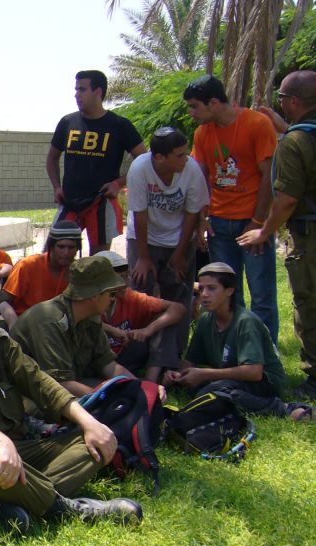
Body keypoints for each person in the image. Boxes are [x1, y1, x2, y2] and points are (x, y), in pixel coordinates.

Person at [0, 271, 143, 534]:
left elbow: (40, 382)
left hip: (17, 449)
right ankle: (71, 509)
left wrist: (89, 422)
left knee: (92, 442)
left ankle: (14, 501)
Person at [239, 71, 316, 401]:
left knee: (309, 305)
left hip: (309, 237)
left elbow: (286, 200)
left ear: (294, 101)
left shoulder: (294, 144)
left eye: (282, 98)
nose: (280, 102)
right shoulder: (298, 135)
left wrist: (264, 231)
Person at [185, 73, 279, 338]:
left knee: (261, 293)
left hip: (251, 222)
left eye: (195, 106)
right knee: (228, 294)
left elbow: (269, 176)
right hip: (219, 224)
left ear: (214, 103)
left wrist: (258, 222)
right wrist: (202, 218)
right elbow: (200, 178)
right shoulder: (202, 133)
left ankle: (264, 350)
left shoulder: (257, 123)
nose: (191, 113)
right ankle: (233, 346)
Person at [168, 263, 311, 422]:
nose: (204, 294)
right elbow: (190, 361)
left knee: (216, 393)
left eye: (211, 288)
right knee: (202, 391)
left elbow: (254, 372)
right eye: (201, 289)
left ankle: (284, 408)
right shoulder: (205, 321)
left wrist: (204, 374)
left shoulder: (245, 322)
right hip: (228, 379)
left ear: (229, 290)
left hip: (263, 382)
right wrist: (176, 375)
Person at [125, 126, 208, 355]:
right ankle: (138, 352)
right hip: (144, 237)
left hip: (179, 237)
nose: (186, 158)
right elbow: (139, 214)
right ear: (160, 157)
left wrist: (180, 254)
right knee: (141, 292)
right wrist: (143, 257)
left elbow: (192, 213)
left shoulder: (191, 169)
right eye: (180, 155)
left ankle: (173, 355)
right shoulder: (139, 168)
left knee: (179, 293)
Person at [47, 70, 145, 254]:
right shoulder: (67, 122)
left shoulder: (120, 125)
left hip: (101, 201)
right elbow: (52, 157)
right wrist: (56, 187)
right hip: (69, 201)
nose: (77, 95)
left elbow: (143, 160)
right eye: (76, 90)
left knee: (98, 259)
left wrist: (118, 183)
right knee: (52, 254)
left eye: (82, 89)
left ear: (98, 92)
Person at [11, 256, 133, 398]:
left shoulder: (90, 317)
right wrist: (105, 399)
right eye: (111, 293)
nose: (113, 299)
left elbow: (108, 364)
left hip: (64, 388)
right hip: (27, 397)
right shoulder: (50, 321)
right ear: (94, 295)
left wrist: (140, 387)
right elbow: (60, 383)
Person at [96, 251, 186, 384]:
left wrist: (148, 329)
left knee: (165, 320)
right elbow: (79, 320)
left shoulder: (129, 296)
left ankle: (151, 381)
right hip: (97, 362)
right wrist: (111, 330)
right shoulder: (87, 300)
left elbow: (178, 308)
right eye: (119, 278)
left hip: (126, 355)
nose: (125, 283)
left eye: (126, 276)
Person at [0, 221, 81, 328]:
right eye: (61, 247)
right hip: (25, 326)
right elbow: (1, 299)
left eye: (71, 248)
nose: (66, 252)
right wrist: (13, 323)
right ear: (51, 246)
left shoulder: (79, 272)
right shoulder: (27, 265)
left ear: (77, 249)